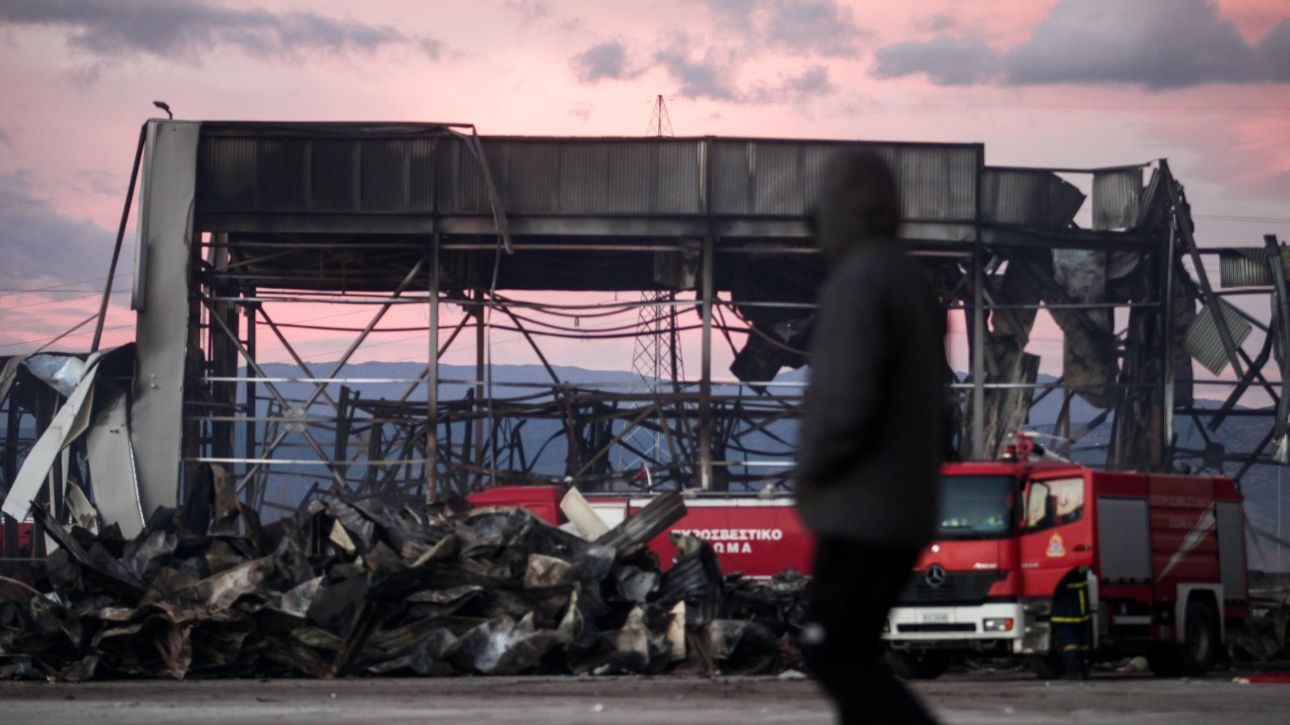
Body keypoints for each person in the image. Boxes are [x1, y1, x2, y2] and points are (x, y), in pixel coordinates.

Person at [796, 150, 946, 724]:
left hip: (860, 507)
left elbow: (843, 399)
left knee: (833, 648)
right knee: (848, 650)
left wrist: (811, 470)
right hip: (905, 505)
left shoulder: (858, 280)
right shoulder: (910, 280)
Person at [1051, 565, 1093, 679]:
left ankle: (1073, 671)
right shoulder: (1081, 566)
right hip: (1080, 608)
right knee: (1083, 642)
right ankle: (1084, 670)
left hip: (1066, 609)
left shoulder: (1067, 569)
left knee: (1070, 643)